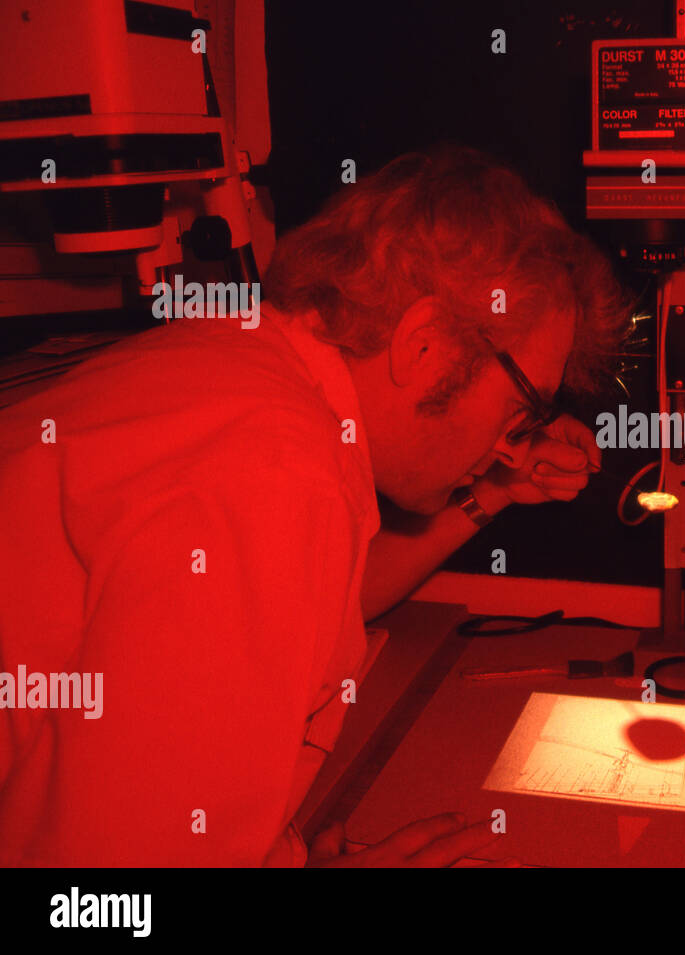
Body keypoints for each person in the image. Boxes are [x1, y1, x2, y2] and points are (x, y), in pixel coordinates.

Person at [0, 145, 633, 866]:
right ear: (424, 345)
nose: (513, 445)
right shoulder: (277, 473)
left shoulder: (246, 369)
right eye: (522, 411)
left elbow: (336, 596)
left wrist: (491, 492)